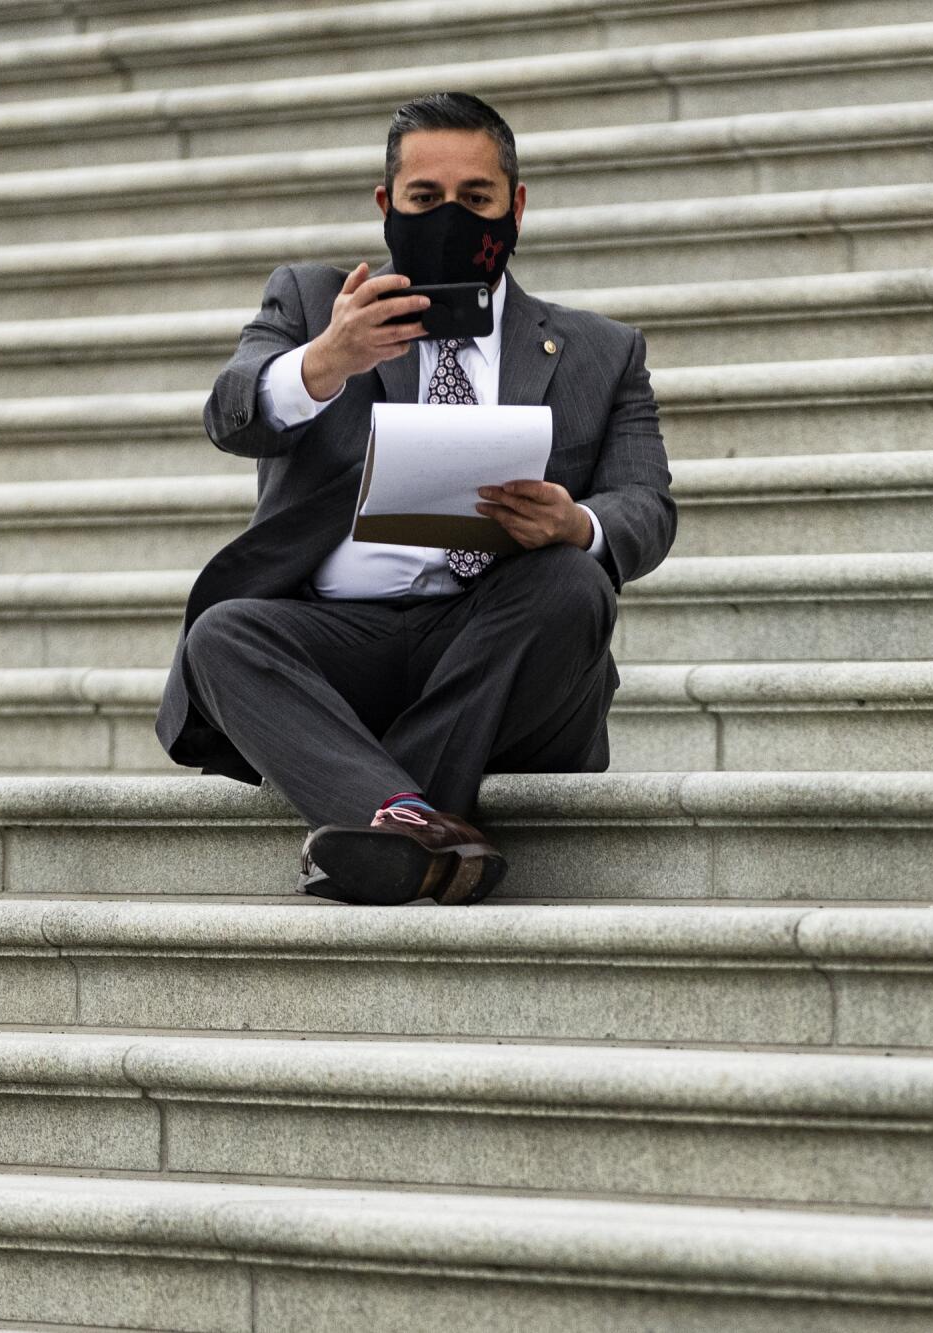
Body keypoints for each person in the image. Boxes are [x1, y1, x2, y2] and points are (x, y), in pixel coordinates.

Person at [154, 91, 675, 906]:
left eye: (477, 199)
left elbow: (647, 506)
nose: (452, 218)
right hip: (343, 644)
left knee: (575, 581)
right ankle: (419, 821)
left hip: (500, 651)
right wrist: (324, 361)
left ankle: (376, 812)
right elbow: (230, 413)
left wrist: (577, 522)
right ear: (386, 204)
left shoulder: (601, 352)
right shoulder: (311, 302)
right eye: (425, 200)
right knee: (221, 635)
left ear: (518, 206)